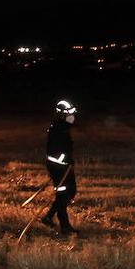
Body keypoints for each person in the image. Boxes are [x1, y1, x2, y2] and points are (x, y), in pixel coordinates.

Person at [41, 99, 79, 235]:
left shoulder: (63, 127)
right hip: (58, 168)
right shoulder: (57, 128)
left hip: (64, 167)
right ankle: (65, 226)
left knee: (71, 191)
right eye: (69, 114)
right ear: (62, 114)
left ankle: (49, 216)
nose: (72, 117)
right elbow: (54, 151)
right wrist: (65, 159)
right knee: (63, 195)